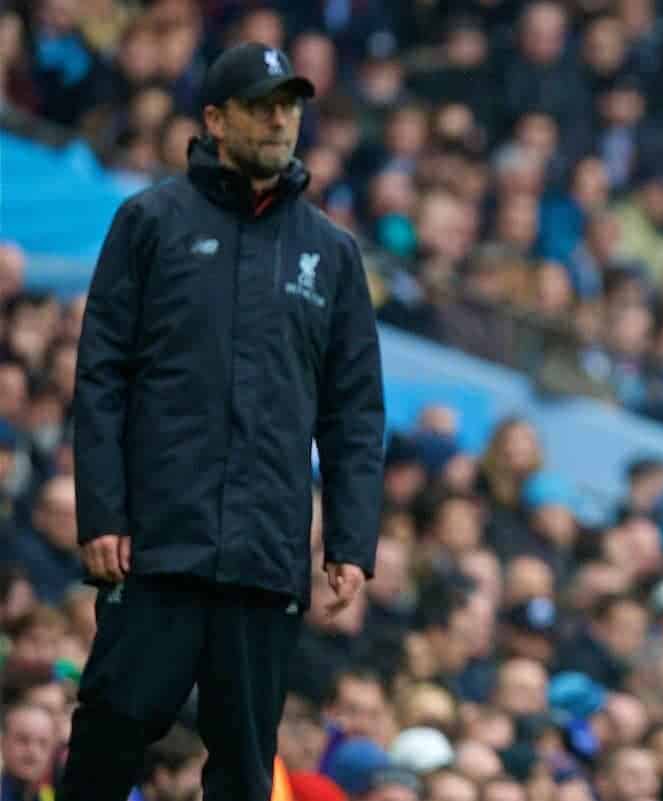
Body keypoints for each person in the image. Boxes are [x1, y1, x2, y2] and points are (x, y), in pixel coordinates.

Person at [59, 41, 385, 801]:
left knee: (244, 769)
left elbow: (355, 410)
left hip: (265, 560)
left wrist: (350, 540)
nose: (280, 120)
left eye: (290, 106)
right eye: (262, 105)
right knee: (107, 735)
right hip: (156, 545)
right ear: (215, 118)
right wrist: (101, 512)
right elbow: (101, 377)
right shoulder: (149, 221)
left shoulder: (331, 255)